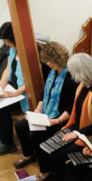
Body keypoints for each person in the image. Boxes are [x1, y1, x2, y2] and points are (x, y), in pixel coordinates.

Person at [34, 52, 92, 181]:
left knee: (57, 156)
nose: (73, 76)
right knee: (46, 147)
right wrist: (61, 121)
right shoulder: (83, 85)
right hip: (76, 128)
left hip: (89, 136)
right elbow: (74, 108)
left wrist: (78, 133)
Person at [13, 41, 77, 169]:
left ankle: (46, 170)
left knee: (35, 136)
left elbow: (73, 105)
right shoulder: (52, 71)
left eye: (50, 61)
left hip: (61, 117)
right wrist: (39, 107)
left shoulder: (71, 77)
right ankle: (29, 156)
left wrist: (57, 120)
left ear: (58, 59)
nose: (47, 63)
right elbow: (45, 92)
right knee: (20, 126)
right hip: (47, 113)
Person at [0, 22, 29, 156]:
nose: (5, 43)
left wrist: (15, 93)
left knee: (2, 107)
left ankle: (8, 143)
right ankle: (0, 138)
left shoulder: (28, 52)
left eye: (6, 40)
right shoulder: (12, 49)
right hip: (13, 87)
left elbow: (31, 79)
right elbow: (8, 69)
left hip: (24, 92)